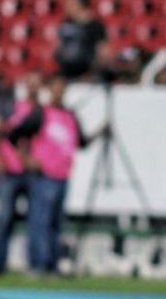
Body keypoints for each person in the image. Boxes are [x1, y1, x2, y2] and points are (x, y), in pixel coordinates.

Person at [7, 74, 108, 273]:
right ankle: (38, 264)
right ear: (49, 90)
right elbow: (14, 135)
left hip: (63, 177)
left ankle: (52, 264)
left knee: (56, 223)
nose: (59, 91)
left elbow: (81, 142)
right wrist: (26, 159)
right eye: (56, 87)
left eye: (62, 87)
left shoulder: (70, 116)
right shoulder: (41, 113)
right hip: (44, 176)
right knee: (40, 221)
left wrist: (100, 132)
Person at [0, 72, 41, 274]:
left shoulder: (41, 110)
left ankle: (36, 264)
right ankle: (0, 263)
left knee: (37, 219)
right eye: (30, 83)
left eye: (37, 83)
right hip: (9, 171)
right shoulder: (11, 107)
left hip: (32, 172)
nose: (33, 87)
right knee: (5, 218)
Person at [54, 0, 107, 80]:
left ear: (80, 4)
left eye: (70, 3)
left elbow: (103, 53)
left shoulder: (95, 26)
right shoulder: (66, 24)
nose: (66, 6)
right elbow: (57, 48)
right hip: (66, 73)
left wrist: (93, 73)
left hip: (87, 75)